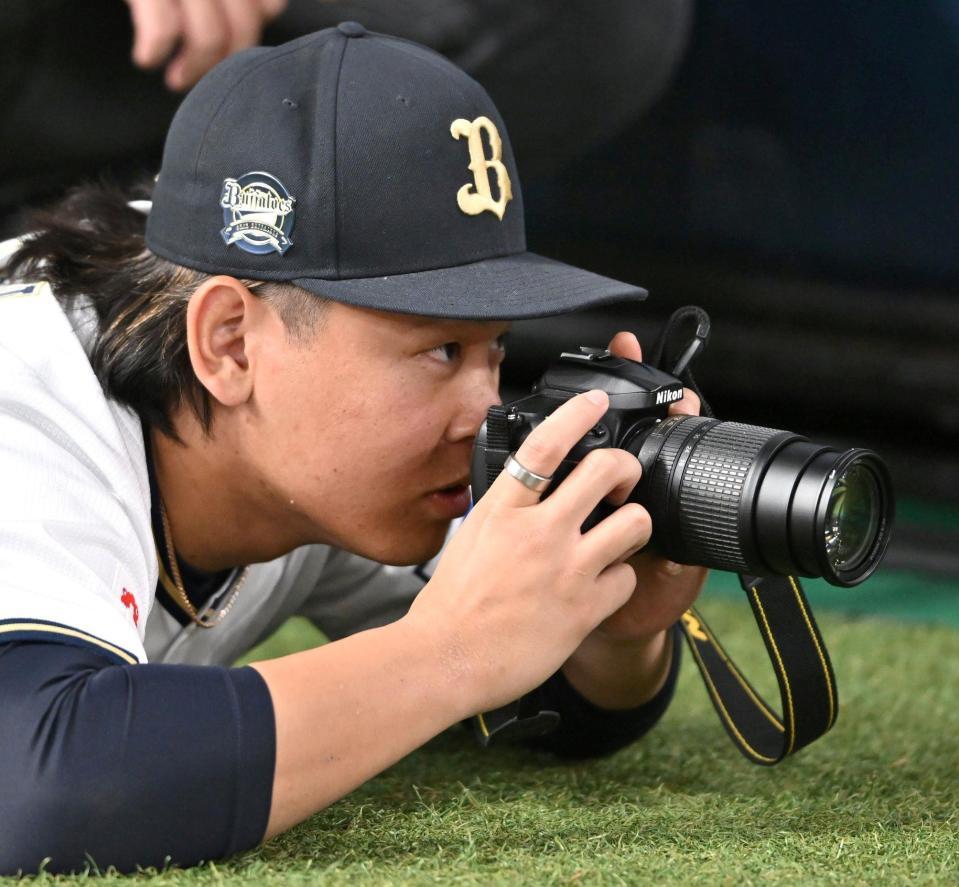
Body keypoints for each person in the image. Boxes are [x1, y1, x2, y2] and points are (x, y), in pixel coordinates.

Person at [0, 24, 705, 874]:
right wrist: (443, 652)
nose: (481, 412)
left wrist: (611, 630)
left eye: (492, 349)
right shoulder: (30, 400)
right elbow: (37, 784)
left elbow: (544, 697)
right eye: (438, 350)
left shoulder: (309, 436)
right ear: (228, 342)